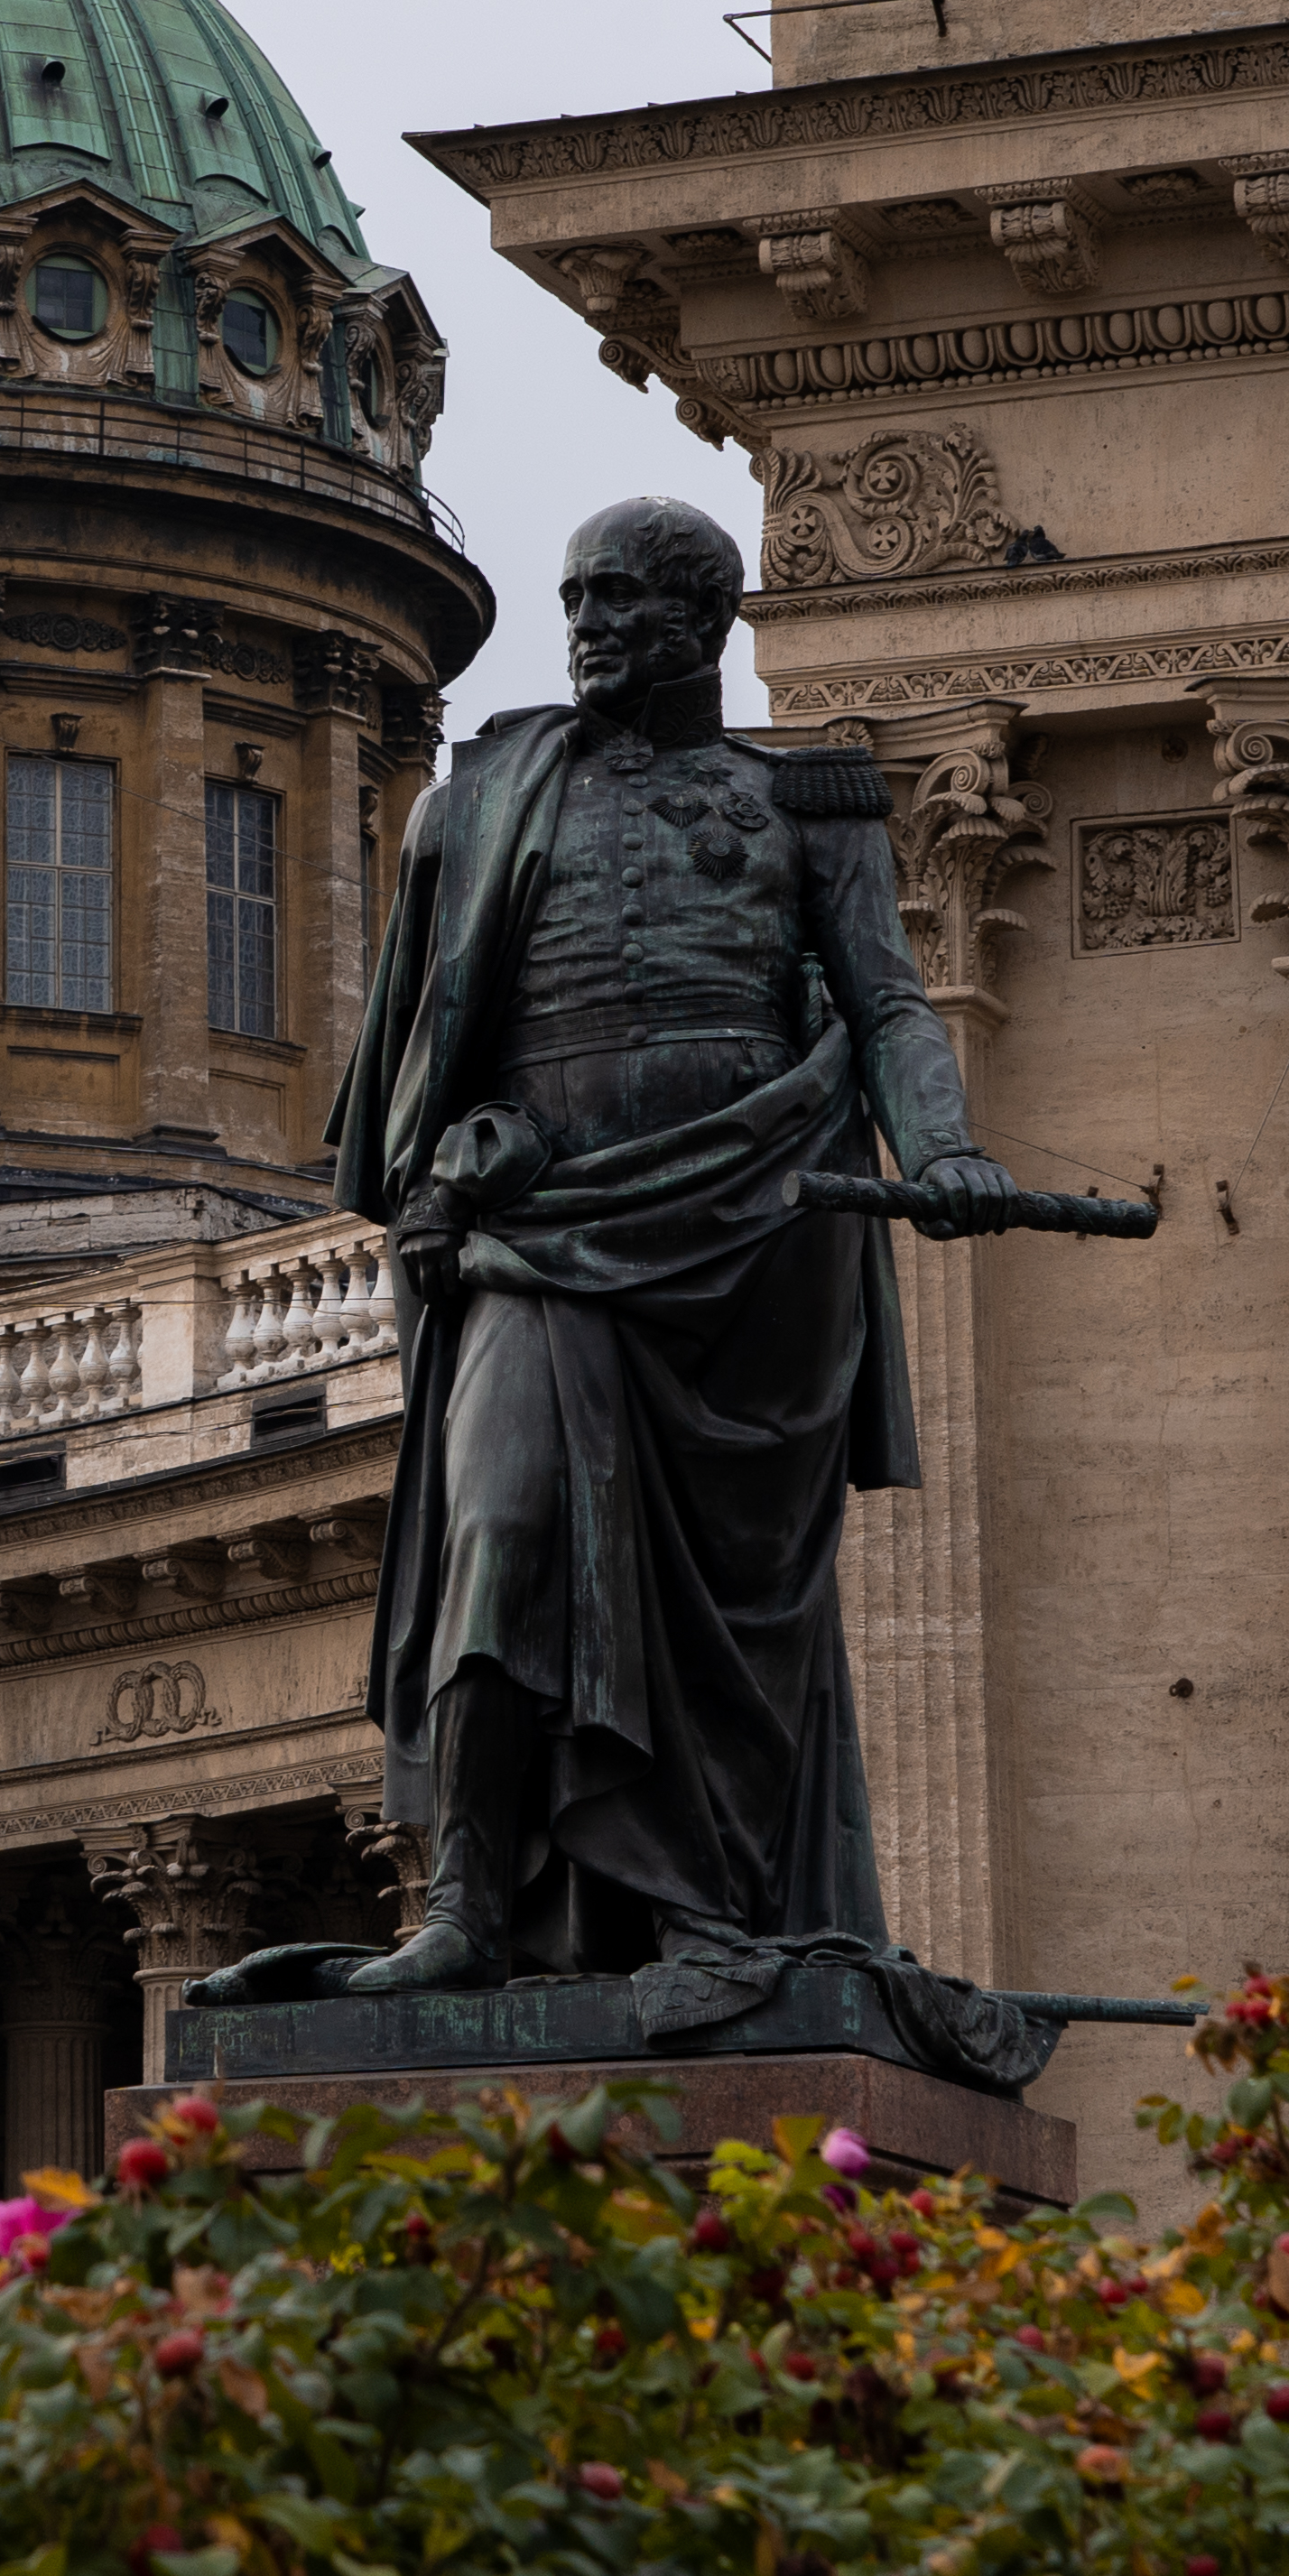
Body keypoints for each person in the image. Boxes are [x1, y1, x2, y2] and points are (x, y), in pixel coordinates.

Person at [306, 500, 1017, 1997]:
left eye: (621, 600)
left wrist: (939, 1144)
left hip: (751, 1240)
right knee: (497, 1533)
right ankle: (467, 1906)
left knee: (721, 1624)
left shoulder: (808, 800)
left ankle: (712, 1909)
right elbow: (423, 1066)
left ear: (705, 617)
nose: (589, 627)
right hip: (545, 1231)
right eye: (577, 600)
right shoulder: (484, 796)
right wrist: (461, 1149)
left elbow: (887, 1001)